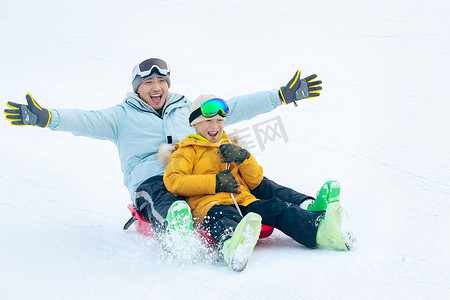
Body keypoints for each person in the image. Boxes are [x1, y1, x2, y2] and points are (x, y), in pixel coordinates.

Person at [3, 58, 323, 242]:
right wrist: (46, 117)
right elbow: (86, 120)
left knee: (248, 175)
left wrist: (281, 95)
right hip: (152, 179)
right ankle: (177, 230)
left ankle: (305, 205)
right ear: (137, 88)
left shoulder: (188, 109)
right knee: (161, 196)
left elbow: (235, 107)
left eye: (161, 81)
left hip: (197, 174)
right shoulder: (121, 116)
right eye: (148, 83)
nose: (156, 87)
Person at [163, 95, 355, 271]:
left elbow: (255, 180)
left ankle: (320, 231)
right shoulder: (186, 151)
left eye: (220, 120)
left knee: (277, 208)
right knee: (224, 219)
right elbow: (174, 181)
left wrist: (243, 156)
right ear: (194, 124)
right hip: (209, 206)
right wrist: (214, 182)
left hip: (244, 201)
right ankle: (232, 247)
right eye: (208, 121)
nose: (215, 126)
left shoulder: (228, 144)